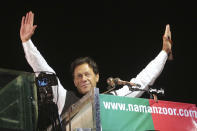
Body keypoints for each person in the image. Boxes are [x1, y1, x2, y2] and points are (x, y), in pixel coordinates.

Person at [20, 11, 173, 130]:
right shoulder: (64, 99)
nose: (83, 79)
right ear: (74, 81)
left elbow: (142, 80)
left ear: (97, 77)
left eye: (87, 74)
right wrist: (27, 42)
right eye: (79, 76)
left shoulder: (112, 98)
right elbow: (45, 72)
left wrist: (164, 52)